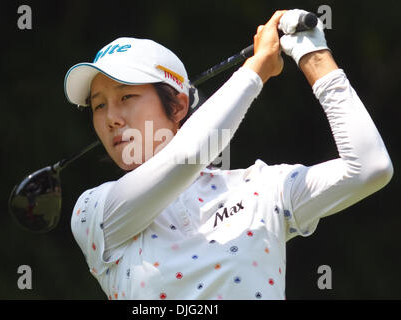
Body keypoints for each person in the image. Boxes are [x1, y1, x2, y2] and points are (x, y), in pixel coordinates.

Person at [64, 10, 393, 300]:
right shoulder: (94, 211)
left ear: (177, 105)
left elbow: (369, 168)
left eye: (127, 96)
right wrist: (256, 70)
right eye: (99, 104)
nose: (111, 118)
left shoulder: (262, 187)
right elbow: (188, 157)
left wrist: (314, 55)